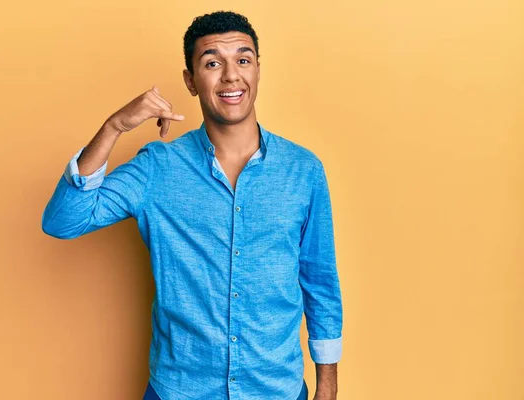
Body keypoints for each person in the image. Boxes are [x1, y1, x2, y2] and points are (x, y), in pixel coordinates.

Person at [41, 10, 342, 400]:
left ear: (257, 71)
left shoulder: (303, 170)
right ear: (191, 81)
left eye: (243, 60)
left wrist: (328, 387)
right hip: (179, 390)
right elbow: (63, 221)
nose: (231, 75)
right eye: (213, 62)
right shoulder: (157, 168)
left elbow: (320, 282)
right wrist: (114, 126)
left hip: (277, 390)